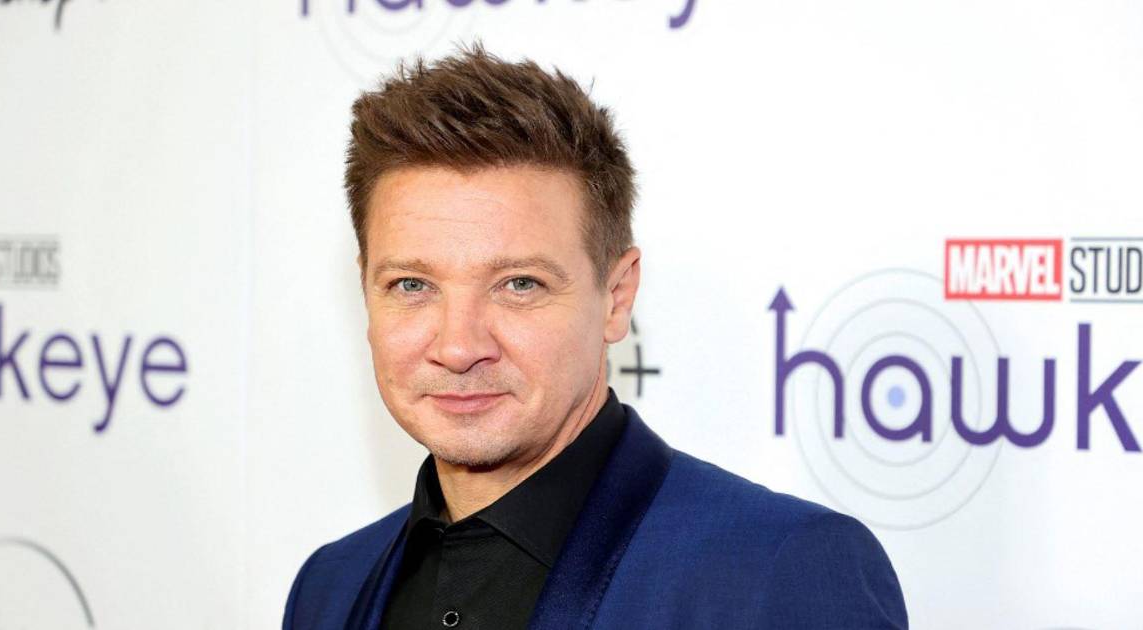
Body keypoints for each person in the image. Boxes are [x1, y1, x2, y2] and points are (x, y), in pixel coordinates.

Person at [283, 44, 908, 630]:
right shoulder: (329, 588)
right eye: (412, 285)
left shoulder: (778, 572)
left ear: (617, 297)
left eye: (519, 284)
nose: (458, 347)